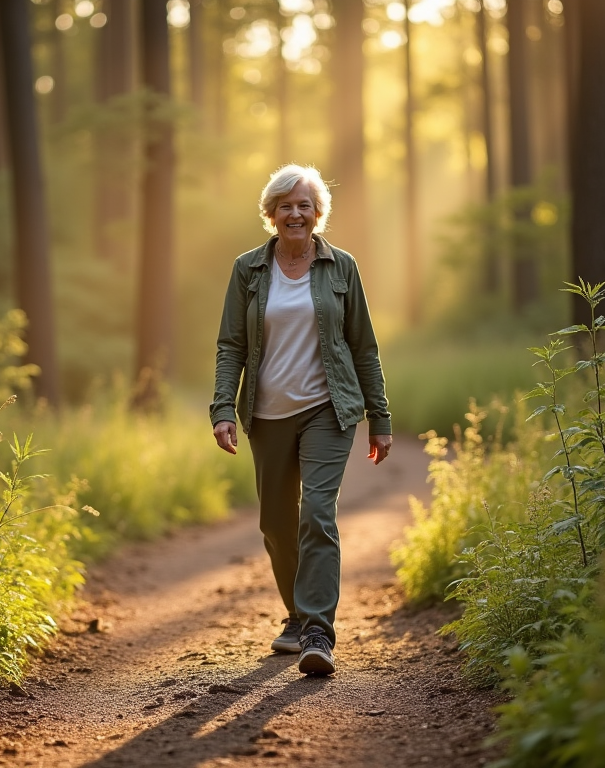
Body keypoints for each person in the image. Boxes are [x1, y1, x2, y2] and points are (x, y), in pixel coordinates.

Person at [210, 164, 393, 676]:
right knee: (275, 523)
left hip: (327, 408)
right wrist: (223, 407)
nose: (296, 213)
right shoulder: (248, 270)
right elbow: (231, 345)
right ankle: (295, 613)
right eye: (286, 205)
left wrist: (379, 416)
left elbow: (364, 346)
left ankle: (317, 630)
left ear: (318, 215)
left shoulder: (342, 268)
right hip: (266, 413)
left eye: (305, 205)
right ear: (271, 215)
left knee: (316, 511)